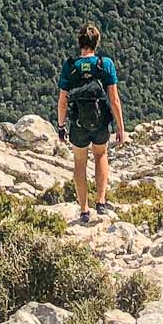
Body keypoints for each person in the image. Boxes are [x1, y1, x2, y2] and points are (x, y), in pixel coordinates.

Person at [56, 22, 125, 223]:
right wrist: (121, 128)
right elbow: (114, 99)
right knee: (100, 154)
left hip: (78, 123)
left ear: (80, 43)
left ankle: (84, 210)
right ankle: (101, 201)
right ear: (97, 43)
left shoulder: (70, 66)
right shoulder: (105, 65)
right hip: (100, 120)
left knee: (79, 161)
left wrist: (61, 127)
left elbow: (62, 101)